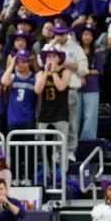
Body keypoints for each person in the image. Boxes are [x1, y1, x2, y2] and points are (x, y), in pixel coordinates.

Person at [41, 21, 87, 161]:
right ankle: (57, 150)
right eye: (56, 33)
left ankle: (70, 150)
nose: (59, 36)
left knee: (71, 121)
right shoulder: (49, 46)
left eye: (61, 34)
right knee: (54, 121)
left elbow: (84, 69)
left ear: (67, 33)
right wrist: (52, 45)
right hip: (50, 90)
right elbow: (40, 61)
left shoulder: (75, 47)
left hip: (70, 88)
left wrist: (64, 62)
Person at [35, 46, 72, 165]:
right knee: (43, 147)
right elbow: (37, 90)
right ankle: (46, 173)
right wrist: (46, 72)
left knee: (62, 145)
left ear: (59, 59)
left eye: (53, 56)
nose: (50, 59)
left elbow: (61, 87)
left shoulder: (65, 72)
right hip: (45, 113)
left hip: (60, 113)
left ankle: (63, 173)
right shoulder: (41, 73)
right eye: (48, 57)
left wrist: (54, 72)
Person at [2, 49, 37, 131]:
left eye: (24, 62)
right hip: (13, 118)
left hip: (28, 118)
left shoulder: (34, 78)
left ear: (28, 62)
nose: (20, 64)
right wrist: (11, 65)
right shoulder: (13, 77)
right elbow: (3, 81)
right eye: (18, 62)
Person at [78, 25, 103, 140]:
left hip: (92, 87)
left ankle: (88, 140)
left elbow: (99, 70)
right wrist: (88, 71)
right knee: (76, 116)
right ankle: (74, 139)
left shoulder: (97, 52)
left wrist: (84, 71)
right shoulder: (76, 51)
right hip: (77, 87)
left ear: (93, 38)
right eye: (85, 34)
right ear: (81, 36)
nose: (87, 37)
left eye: (89, 35)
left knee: (90, 115)